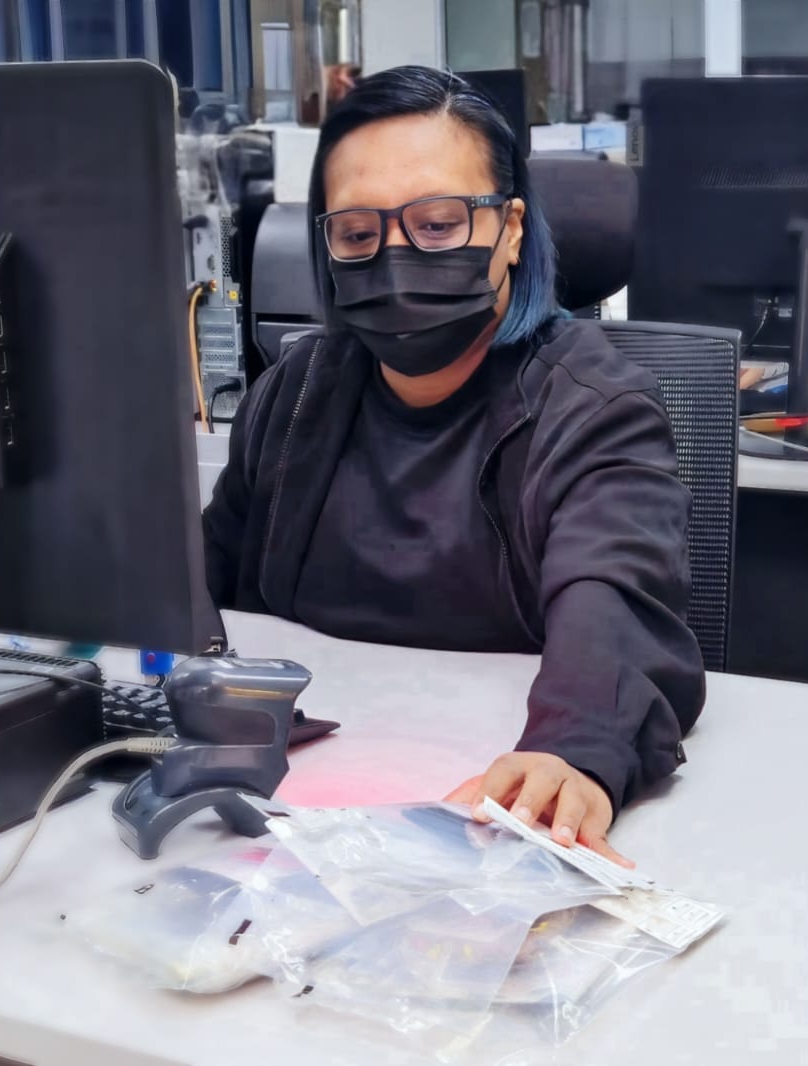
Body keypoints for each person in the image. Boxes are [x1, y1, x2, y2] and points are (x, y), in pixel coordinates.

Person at [202, 66, 704, 865]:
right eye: (357, 234)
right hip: (295, 807)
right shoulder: (294, 395)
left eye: (437, 224)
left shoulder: (594, 407)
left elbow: (614, 602)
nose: (395, 257)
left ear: (510, 230)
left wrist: (573, 751)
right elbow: (204, 596)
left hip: (479, 797)